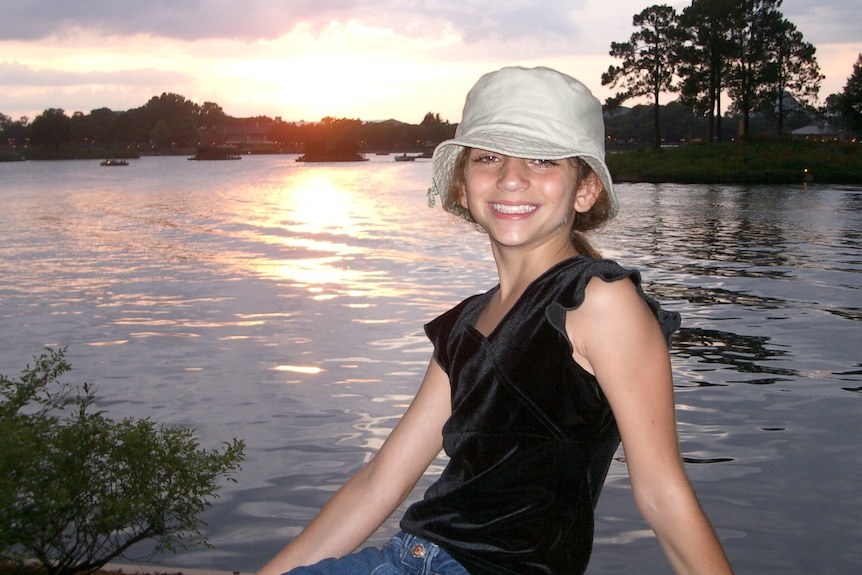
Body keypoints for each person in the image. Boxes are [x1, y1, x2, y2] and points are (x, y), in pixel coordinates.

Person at [257, 66, 733, 575]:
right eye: (488, 157)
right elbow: (380, 482)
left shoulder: (598, 301)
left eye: (542, 159)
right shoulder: (465, 324)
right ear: (463, 187)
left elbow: (662, 494)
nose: (511, 176)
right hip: (406, 558)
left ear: (585, 190)